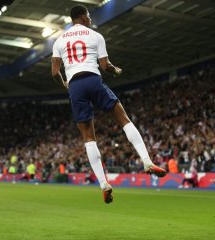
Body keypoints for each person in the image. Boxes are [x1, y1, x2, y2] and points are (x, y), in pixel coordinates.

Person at [51, 5, 166, 204]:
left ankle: (104, 184)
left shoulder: (59, 40)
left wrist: (65, 86)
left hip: (75, 86)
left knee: (88, 137)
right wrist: (117, 71)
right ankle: (147, 161)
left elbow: (54, 72)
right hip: (93, 79)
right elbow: (105, 66)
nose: (89, 19)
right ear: (83, 17)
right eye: (88, 16)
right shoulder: (96, 36)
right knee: (123, 118)